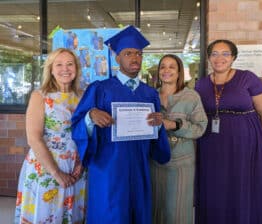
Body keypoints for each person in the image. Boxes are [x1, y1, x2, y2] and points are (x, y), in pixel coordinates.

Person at [71, 25, 171, 224]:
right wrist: (91, 116)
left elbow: (157, 144)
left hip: (140, 166)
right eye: (128, 53)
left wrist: (158, 124)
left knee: (139, 213)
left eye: (138, 53)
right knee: (109, 214)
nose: (135, 58)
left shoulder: (149, 93)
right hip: (108, 168)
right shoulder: (100, 89)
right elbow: (76, 125)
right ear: (117, 58)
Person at [194, 39, 262, 224]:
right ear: (209, 58)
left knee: (244, 187)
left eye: (225, 53)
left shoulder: (247, 78)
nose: (220, 58)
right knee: (216, 188)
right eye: (214, 54)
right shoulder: (200, 85)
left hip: (247, 145)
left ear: (233, 57)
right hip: (211, 146)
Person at [14, 48, 86, 224]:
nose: (65, 69)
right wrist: (57, 173)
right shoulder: (40, 96)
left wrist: (82, 162)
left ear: (76, 68)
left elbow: (88, 133)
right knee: (46, 215)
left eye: (70, 64)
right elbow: (34, 138)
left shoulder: (83, 96)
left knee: (73, 215)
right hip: (47, 167)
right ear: (51, 69)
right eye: (59, 64)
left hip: (76, 166)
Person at [151, 54, 208, 224]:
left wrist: (174, 125)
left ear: (179, 72)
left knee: (178, 213)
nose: (166, 70)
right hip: (154, 163)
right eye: (163, 67)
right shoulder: (149, 96)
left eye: (171, 67)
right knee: (155, 210)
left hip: (181, 164)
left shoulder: (191, 97)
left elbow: (200, 128)